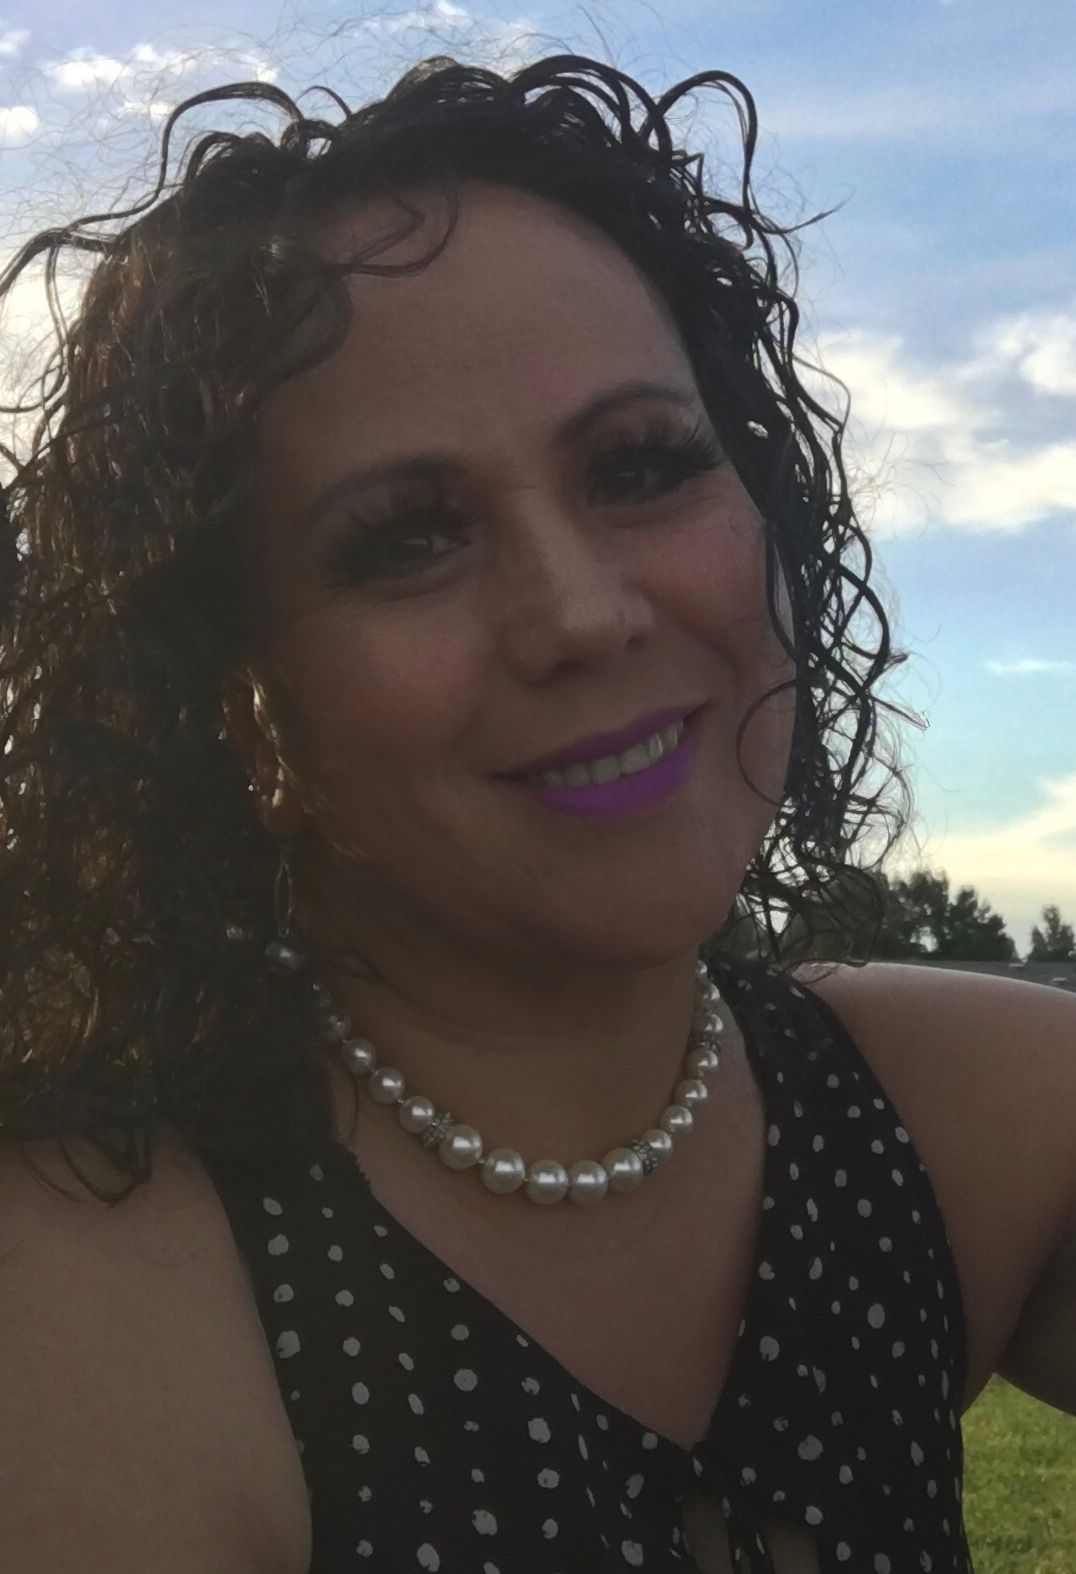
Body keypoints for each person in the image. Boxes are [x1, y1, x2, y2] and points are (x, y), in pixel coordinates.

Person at [0, 52, 1072, 1574]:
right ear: (239, 705)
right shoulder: (91, 1285)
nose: (581, 612)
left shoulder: (963, 1114)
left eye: (641, 466)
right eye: (407, 540)